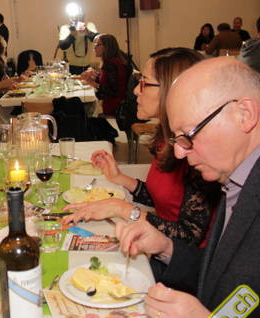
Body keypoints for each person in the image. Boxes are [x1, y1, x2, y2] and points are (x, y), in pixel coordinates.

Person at [115, 57, 260, 318]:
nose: (180, 152)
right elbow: (225, 277)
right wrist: (167, 248)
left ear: (245, 114)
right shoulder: (236, 178)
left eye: (189, 135)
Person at [63, 47, 219, 245]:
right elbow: (164, 200)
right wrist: (119, 178)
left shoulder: (195, 150)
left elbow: (189, 236)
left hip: (181, 259)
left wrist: (122, 209)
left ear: (172, 90)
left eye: (145, 82)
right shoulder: (166, 137)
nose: (136, 90)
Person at [80, 34, 132, 116]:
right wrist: (95, 76)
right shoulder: (114, 60)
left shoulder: (110, 64)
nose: (94, 47)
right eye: (95, 44)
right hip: (116, 103)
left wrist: (91, 82)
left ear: (107, 47)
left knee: (83, 109)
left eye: (98, 44)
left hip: (114, 107)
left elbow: (109, 92)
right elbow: (107, 81)